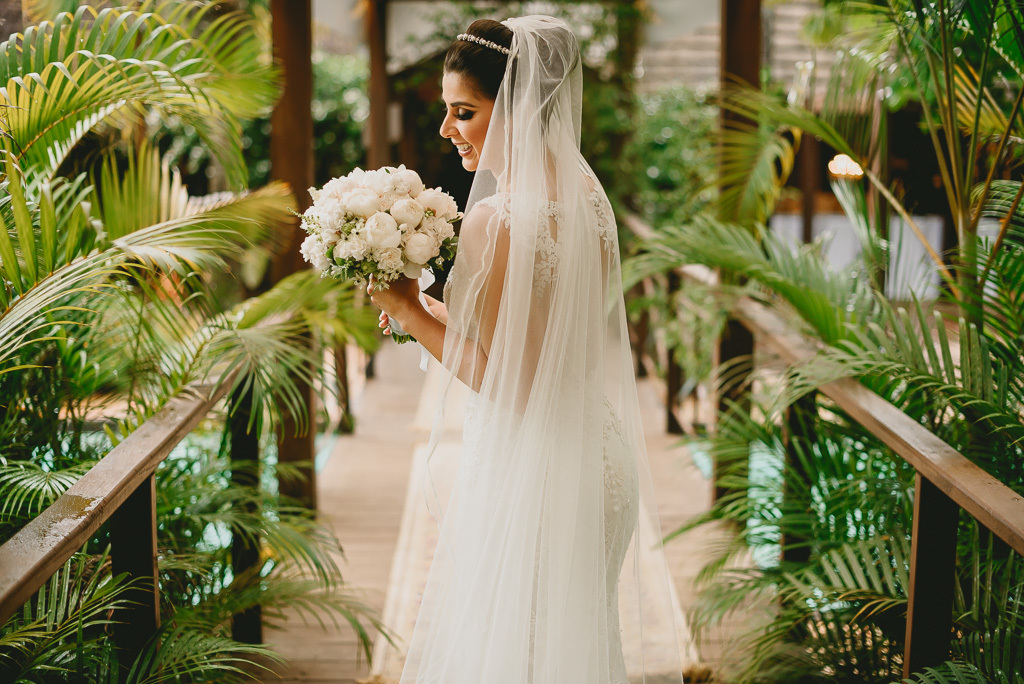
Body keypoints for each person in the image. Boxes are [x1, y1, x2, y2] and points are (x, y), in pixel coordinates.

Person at [369, 15, 685, 684]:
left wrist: (401, 307)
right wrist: (425, 308)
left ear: (513, 105)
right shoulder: (589, 201)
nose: (447, 129)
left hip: (539, 476)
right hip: (598, 459)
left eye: (465, 112)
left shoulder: (496, 217)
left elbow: (509, 380)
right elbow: (535, 336)